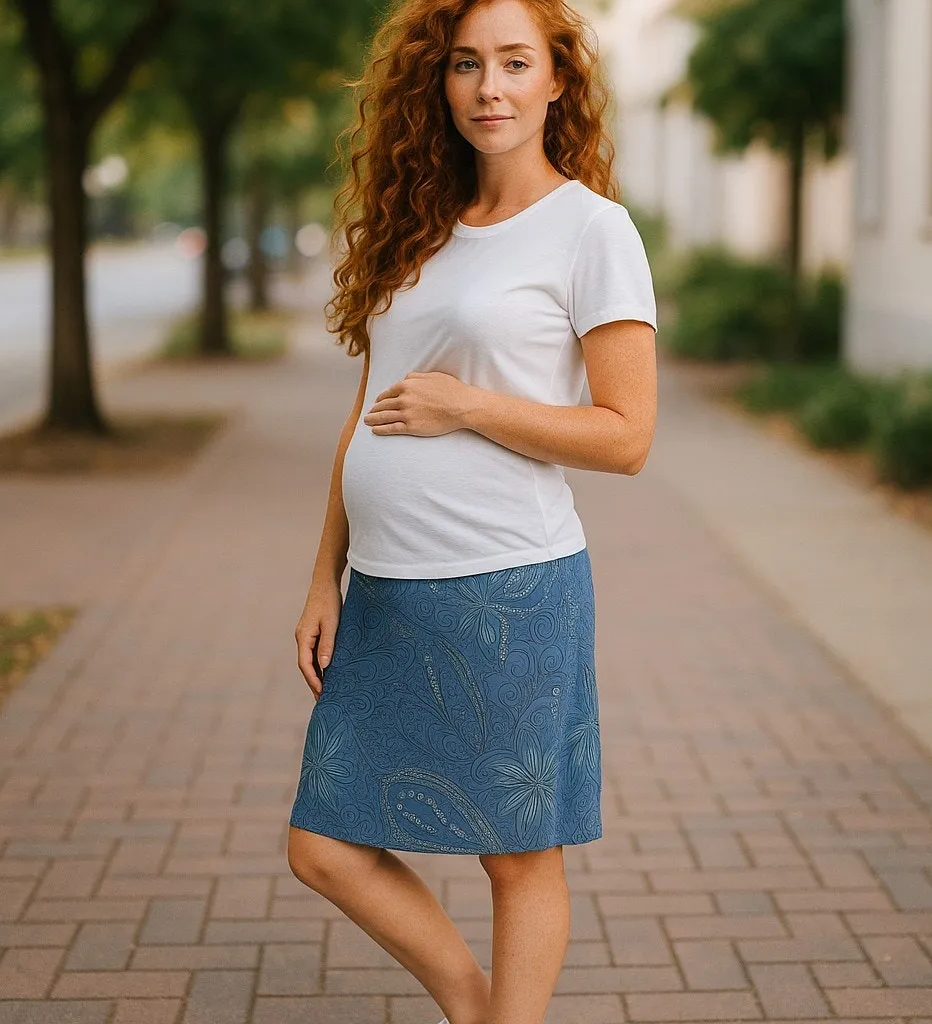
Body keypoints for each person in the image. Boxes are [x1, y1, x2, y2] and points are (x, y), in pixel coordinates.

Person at [286, 0, 657, 1021]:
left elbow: (628, 435)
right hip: (388, 593)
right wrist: (326, 574)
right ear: (436, 80)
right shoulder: (419, 225)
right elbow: (368, 409)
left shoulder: (592, 230)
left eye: (512, 62)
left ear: (555, 81)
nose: (487, 87)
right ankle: (475, 1001)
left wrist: (470, 405)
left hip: (510, 588)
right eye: (463, 64)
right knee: (320, 844)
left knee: (516, 858)